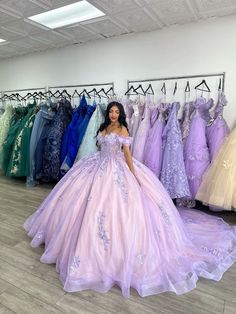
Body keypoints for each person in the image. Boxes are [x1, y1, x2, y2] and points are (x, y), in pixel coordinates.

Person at [24, 101, 236, 298]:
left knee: (119, 209)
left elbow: (126, 154)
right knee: (77, 201)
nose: (113, 114)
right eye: (111, 111)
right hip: (97, 165)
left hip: (117, 168)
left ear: (121, 114)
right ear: (108, 113)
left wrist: (134, 175)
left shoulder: (123, 130)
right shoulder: (103, 128)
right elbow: (100, 148)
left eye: (117, 112)